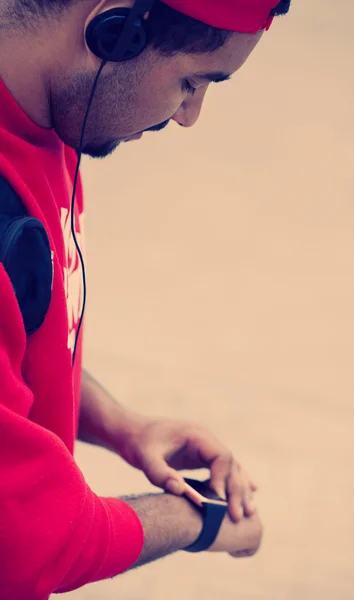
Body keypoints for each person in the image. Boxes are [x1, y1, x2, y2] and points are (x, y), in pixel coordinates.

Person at [0, 0, 290, 598]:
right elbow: (29, 543)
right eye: (193, 80)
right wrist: (203, 521)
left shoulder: (42, 120)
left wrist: (123, 426)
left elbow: (22, 333)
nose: (190, 116)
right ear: (115, 29)